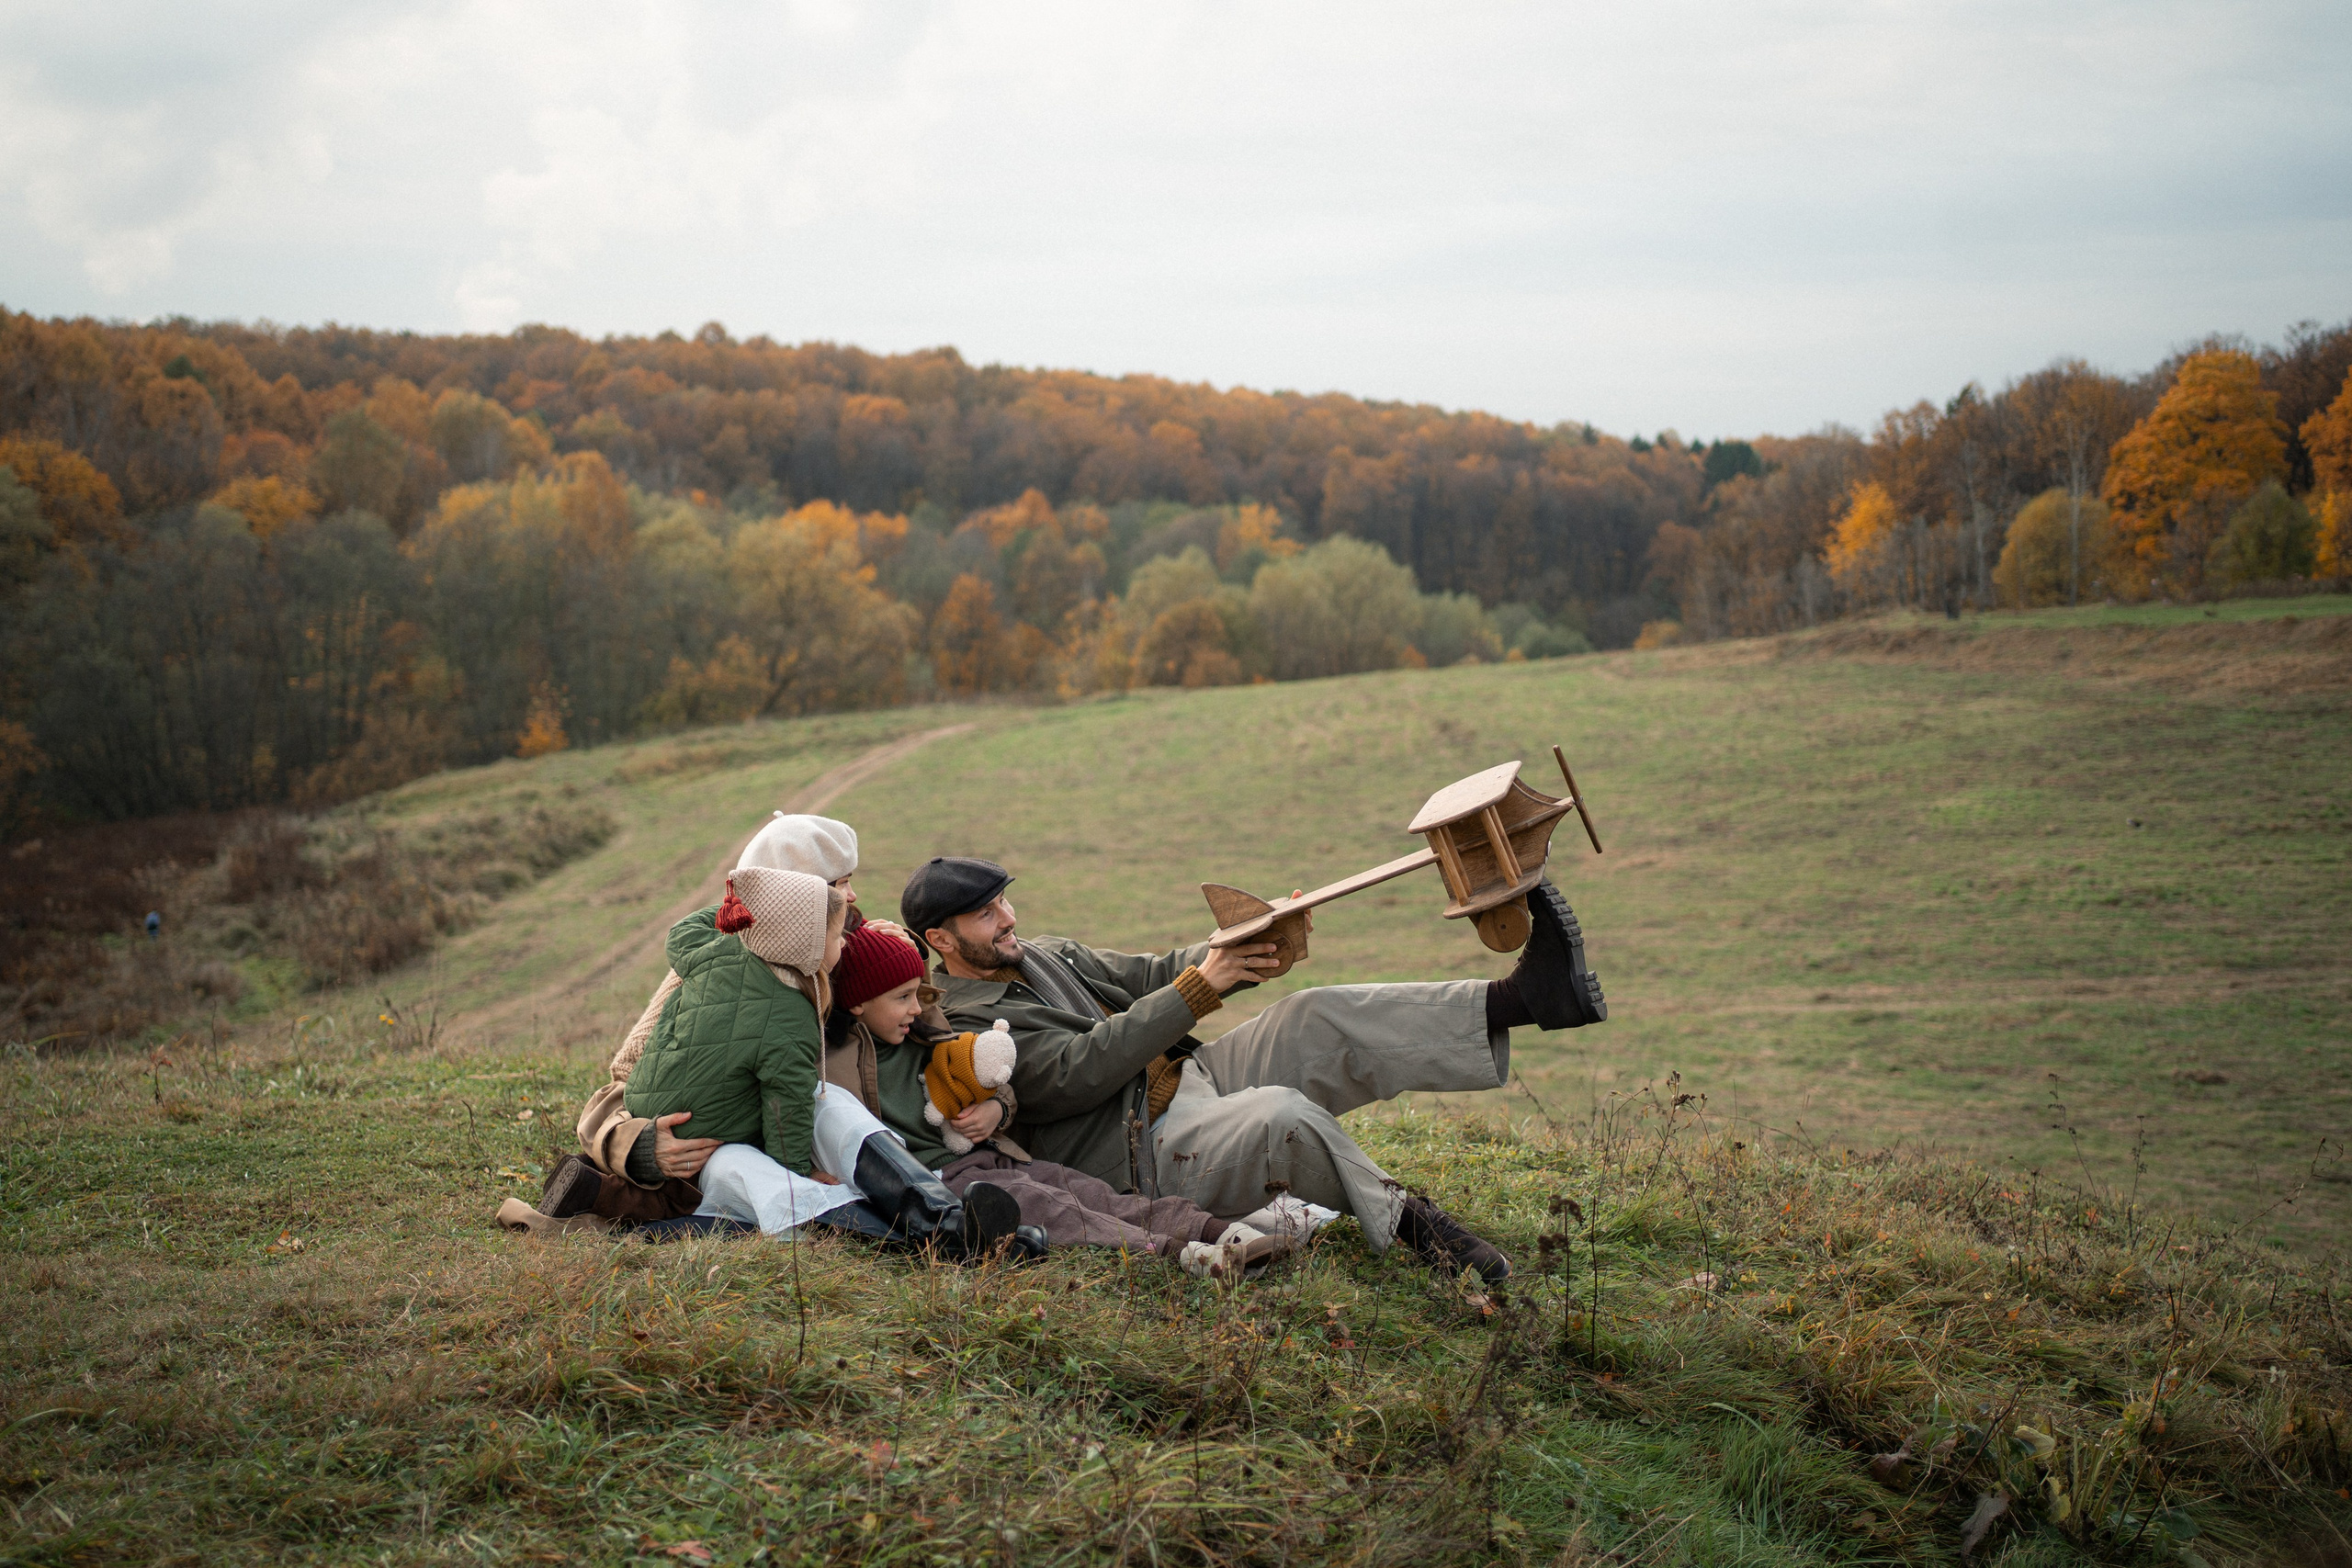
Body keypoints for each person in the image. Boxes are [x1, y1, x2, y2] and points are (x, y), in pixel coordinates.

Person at [901, 856, 1610, 1283]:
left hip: (1188, 1079)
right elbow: (1077, 1071)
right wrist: (1201, 986)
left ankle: (1527, 998)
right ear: (941, 939)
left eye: (1003, 899)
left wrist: (1245, 946)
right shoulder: (962, 1024)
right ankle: (1418, 1226)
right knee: (1280, 1116)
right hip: (1144, 1151)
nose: (1006, 916)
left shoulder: (1042, 952)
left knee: (1315, 1014)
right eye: (984, 913)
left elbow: (1153, 972)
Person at [824, 919, 1308, 1278]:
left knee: (1087, 1192)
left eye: (920, 994)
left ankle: (1216, 1231)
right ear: (858, 1003)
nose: (917, 1007)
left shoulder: (924, 1034)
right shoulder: (834, 1060)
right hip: (936, 1185)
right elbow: (816, 1115)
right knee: (1054, 1209)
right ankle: (1183, 1256)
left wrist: (998, 1108)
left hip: (990, 1157)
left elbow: (992, 1082)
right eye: (903, 998)